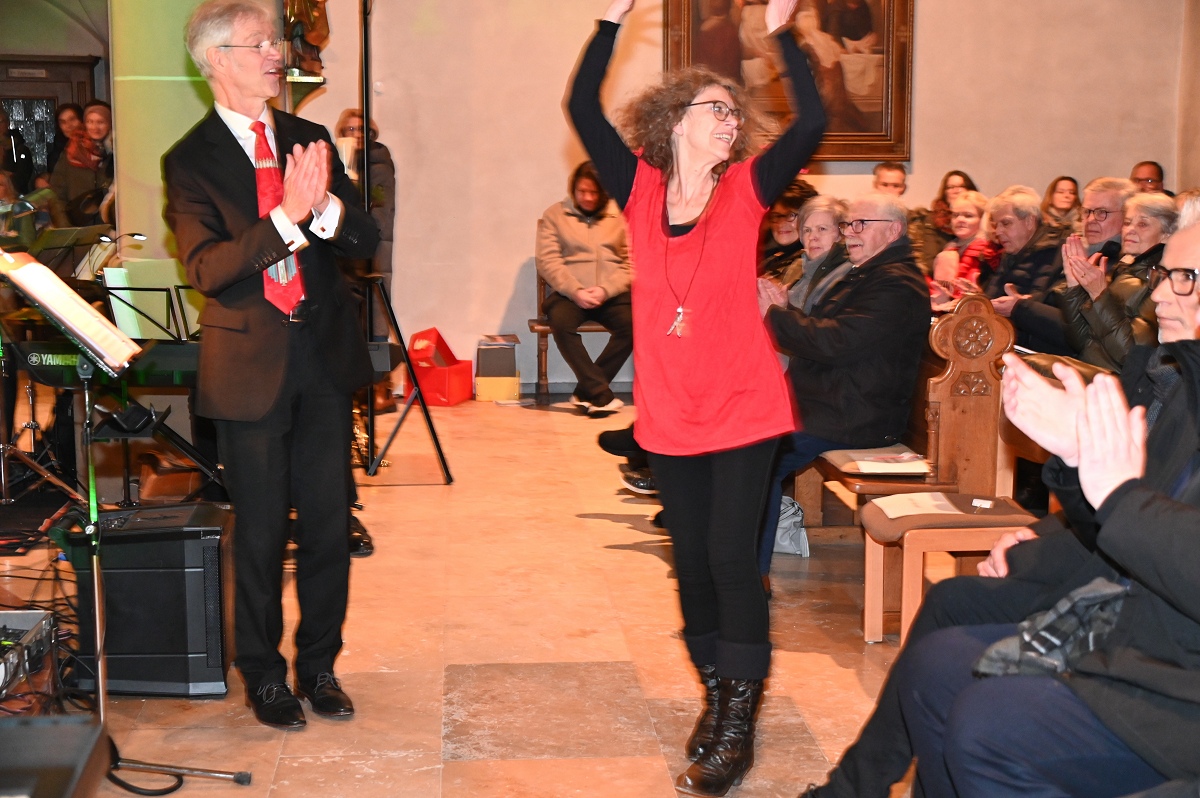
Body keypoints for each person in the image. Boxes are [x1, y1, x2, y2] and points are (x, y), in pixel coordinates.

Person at [797, 219, 1200, 798]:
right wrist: (1050, 513)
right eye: (1163, 274)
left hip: (1146, 619)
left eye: (1182, 277)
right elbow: (1128, 508)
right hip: (1129, 574)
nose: (1160, 292)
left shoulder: (1177, 379)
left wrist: (1083, 486)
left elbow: (1135, 512)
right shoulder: (1175, 379)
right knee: (944, 634)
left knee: (984, 718)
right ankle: (853, 788)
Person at [568, 0, 825, 792]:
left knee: (729, 557)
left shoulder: (747, 187)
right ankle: (716, 693)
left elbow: (812, 121)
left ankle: (737, 724)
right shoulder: (638, 191)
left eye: (733, 113)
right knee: (689, 563)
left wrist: (781, 33)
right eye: (715, 108)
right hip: (671, 411)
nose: (730, 119)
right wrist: (610, 21)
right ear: (674, 123)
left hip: (744, 406)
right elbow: (581, 106)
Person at [164, 0, 380, 730]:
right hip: (249, 369)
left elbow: (364, 238)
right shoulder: (189, 161)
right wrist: (286, 216)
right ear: (216, 59)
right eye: (258, 44)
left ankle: (319, 667)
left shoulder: (308, 138)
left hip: (322, 362)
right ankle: (262, 675)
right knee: (257, 535)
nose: (276, 54)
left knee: (327, 528)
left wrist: (322, 210)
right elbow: (208, 268)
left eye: (275, 42)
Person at [757, 193, 927, 589]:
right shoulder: (869, 272)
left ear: (893, 231)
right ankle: (740, 565)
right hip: (835, 400)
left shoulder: (896, 283)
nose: (850, 233)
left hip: (856, 414)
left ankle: (751, 576)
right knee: (746, 435)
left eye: (860, 224)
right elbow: (833, 335)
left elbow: (838, 343)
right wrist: (785, 311)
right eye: (849, 225)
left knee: (760, 458)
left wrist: (775, 317)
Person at [535, 161, 632, 415]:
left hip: (611, 294)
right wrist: (575, 291)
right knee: (561, 322)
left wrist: (606, 290)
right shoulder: (555, 215)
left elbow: (632, 262)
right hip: (569, 294)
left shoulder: (622, 216)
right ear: (573, 189)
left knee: (634, 325)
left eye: (593, 192)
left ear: (604, 192)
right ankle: (599, 393)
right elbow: (548, 261)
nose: (587, 197)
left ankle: (586, 391)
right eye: (582, 191)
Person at [1061, 191, 1177, 371]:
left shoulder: (1162, 281)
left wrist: (1099, 294)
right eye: (1128, 222)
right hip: (1090, 368)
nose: (1130, 230)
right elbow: (1082, 343)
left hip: (1116, 381)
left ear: (1167, 235)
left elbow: (1132, 357)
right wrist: (1074, 286)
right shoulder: (1125, 269)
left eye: (1143, 224)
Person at [983, 185, 1069, 352]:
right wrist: (973, 299)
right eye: (996, 225)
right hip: (1006, 341)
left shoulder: (1057, 252)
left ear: (1029, 221)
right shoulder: (1010, 253)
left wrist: (1019, 306)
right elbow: (992, 297)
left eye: (1006, 223)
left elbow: (1048, 309)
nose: (998, 232)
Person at [335, 108, 395, 343]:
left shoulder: (379, 165)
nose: (356, 134)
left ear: (371, 133)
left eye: (361, 129)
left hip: (371, 249)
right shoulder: (338, 165)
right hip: (343, 255)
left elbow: (379, 213)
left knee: (371, 321)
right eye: (350, 129)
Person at [928, 190, 999, 311]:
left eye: (968, 215)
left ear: (983, 219)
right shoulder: (949, 250)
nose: (960, 219)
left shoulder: (990, 253)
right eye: (955, 215)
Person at [51, 101, 114, 226]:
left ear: (109, 123)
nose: (95, 127)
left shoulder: (116, 152)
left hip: (110, 228)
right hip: (79, 228)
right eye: (90, 122)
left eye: (100, 122)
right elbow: (56, 195)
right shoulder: (71, 153)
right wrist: (65, 227)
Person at [758, 179, 818, 283]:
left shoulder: (811, 263)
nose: (781, 224)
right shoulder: (769, 258)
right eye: (776, 215)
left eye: (790, 215)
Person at [0, 106, 33, 195]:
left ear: (7, 123)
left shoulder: (20, 150)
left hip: (15, 197)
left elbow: (22, 178)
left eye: (0, 122)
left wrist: (6, 178)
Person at [46, 103, 83, 175]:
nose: (69, 125)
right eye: (63, 122)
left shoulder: (96, 146)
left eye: (72, 119)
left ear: (81, 120)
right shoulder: (56, 155)